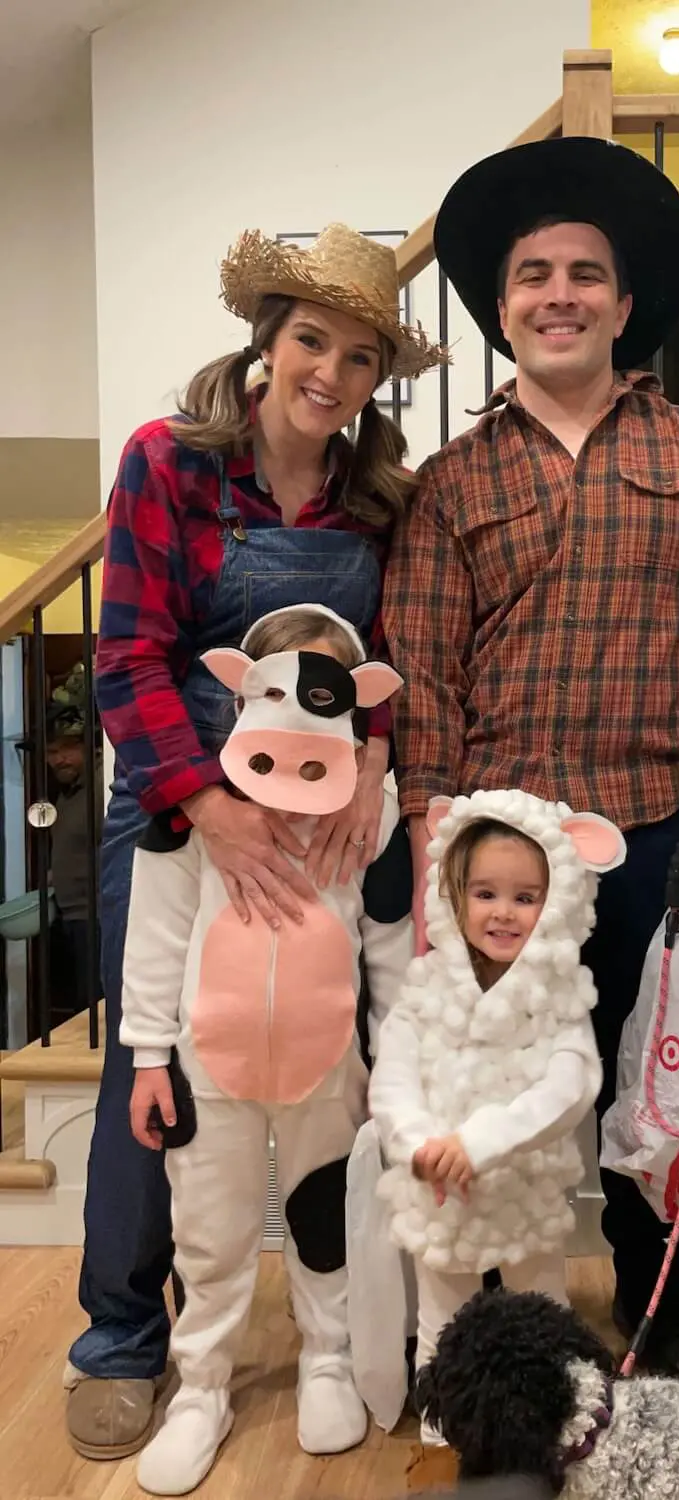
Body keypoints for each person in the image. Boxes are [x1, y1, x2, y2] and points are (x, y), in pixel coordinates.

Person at [384, 136, 679, 1378]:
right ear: (501, 308)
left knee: (642, 1079)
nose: (556, 293)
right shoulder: (452, 482)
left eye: (582, 273)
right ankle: (490, 1322)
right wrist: (428, 821)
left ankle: (653, 1298)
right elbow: (425, 662)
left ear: (623, 304)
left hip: (658, 833)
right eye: (529, 276)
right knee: (489, 1081)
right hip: (496, 853)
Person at [65, 222, 444, 1460]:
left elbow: (399, 662)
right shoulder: (168, 466)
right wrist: (208, 808)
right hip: (182, 813)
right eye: (309, 341)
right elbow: (125, 656)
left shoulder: (380, 499)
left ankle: (356, 1335)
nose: (327, 373)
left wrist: (373, 770)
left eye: (357, 356)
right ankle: (125, 1342)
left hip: (332, 815)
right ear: (265, 341)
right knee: (156, 1066)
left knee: (341, 1051)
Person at [119, 604, 410, 1493]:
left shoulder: (375, 814)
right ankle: (201, 1386)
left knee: (326, 1221)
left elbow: (391, 943)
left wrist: (398, 1065)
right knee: (210, 1231)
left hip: (329, 1068)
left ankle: (328, 1355)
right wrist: (145, 1057)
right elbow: (157, 934)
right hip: (212, 1067)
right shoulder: (194, 815)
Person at [368, 789, 625, 1442]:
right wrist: (420, 1143)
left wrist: (480, 1141)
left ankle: (552, 1433)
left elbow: (569, 1086)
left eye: (525, 897)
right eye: (485, 893)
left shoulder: (558, 998)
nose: (503, 912)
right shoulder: (426, 988)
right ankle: (439, 1441)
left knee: (537, 1310)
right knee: (441, 1319)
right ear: (455, 894)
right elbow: (393, 1076)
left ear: (557, 902)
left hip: (522, 1187)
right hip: (438, 1186)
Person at [45, 687, 103, 1021]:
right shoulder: (68, 792)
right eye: (52, 751)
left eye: (67, 749)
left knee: (96, 1010)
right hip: (73, 917)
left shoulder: (99, 785)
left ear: (89, 746)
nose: (58, 759)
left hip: (96, 918)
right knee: (84, 1008)